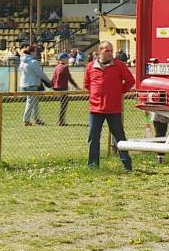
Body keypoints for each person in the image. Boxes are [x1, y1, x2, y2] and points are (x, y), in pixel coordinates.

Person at [84, 41, 135, 171]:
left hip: (114, 108)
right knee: (93, 138)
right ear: (99, 51)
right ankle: (93, 166)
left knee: (119, 137)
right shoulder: (90, 66)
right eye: (107, 51)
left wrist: (119, 91)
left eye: (111, 51)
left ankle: (127, 165)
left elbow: (130, 81)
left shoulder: (119, 65)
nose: (110, 53)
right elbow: (87, 84)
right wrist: (95, 95)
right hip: (95, 109)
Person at [19, 45, 51, 126]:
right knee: (30, 102)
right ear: (32, 52)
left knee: (34, 102)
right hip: (32, 83)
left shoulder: (22, 61)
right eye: (35, 51)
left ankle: (36, 118)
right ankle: (26, 120)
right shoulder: (33, 62)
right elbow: (40, 73)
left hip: (24, 83)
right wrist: (48, 81)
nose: (36, 53)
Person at [52, 52, 79, 126]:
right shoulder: (65, 67)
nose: (68, 59)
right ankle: (61, 121)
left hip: (56, 88)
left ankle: (61, 121)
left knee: (62, 104)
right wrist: (76, 86)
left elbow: (53, 78)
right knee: (64, 105)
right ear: (62, 59)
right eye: (67, 58)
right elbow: (69, 78)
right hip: (63, 88)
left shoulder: (57, 67)